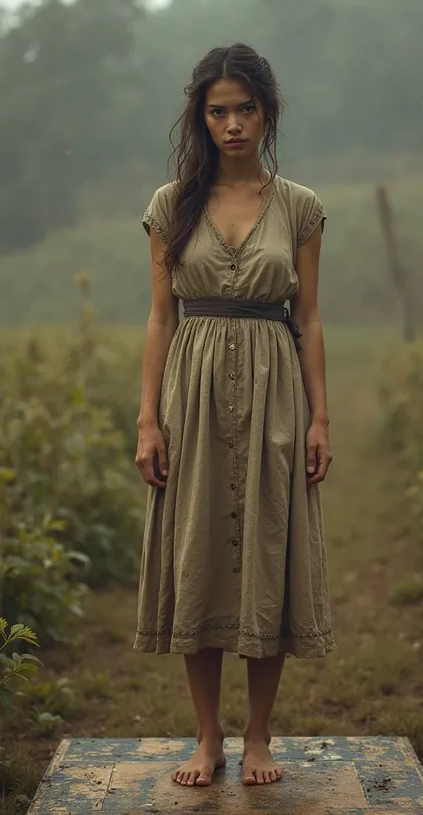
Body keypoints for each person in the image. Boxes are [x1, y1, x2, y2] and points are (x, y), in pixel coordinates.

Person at [133, 42, 336, 789]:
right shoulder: (170, 205)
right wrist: (147, 419)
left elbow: (309, 318)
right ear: (201, 117)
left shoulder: (301, 207)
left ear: (266, 112)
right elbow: (160, 319)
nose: (232, 124)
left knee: (268, 546)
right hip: (190, 393)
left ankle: (258, 735)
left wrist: (320, 418)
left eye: (245, 109)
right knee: (198, 554)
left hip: (276, 391)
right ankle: (207, 737)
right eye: (217, 111)